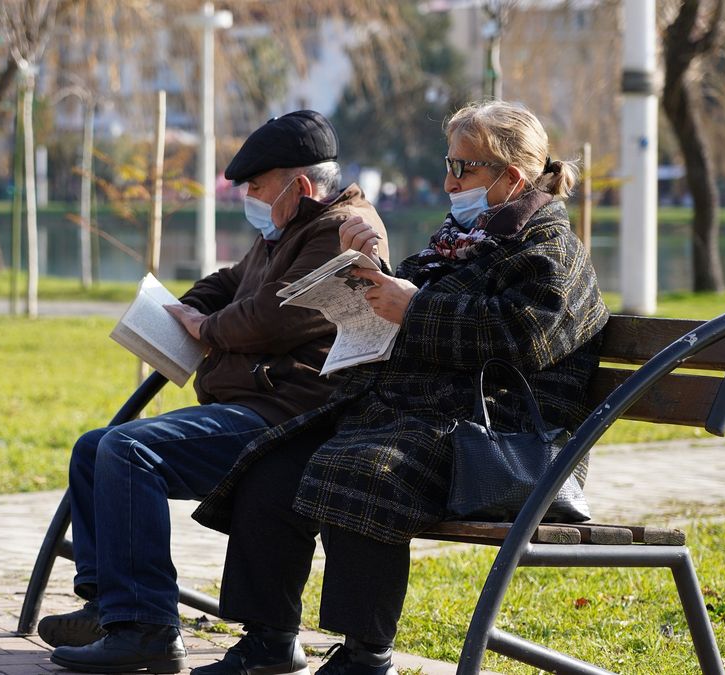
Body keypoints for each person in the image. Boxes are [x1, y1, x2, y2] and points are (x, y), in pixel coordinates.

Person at [190, 100, 610, 675]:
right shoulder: (456, 241)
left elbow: (524, 337)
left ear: (511, 178)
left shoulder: (553, 252)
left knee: (360, 470)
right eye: (449, 163)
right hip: (418, 417)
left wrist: (414, 309)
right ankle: (267, 639)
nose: (448, 181)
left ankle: (367, 655)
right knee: (272, 465)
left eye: (463, 168)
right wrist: (362, 264)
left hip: (494, 436)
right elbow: (396, 295)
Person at [45, 110, 389, 675]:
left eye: (256, 187)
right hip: (253, 404)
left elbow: (280, 314)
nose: (248, 199)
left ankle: (146, 627)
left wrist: (207, 329)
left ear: (299, 186)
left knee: (131, 450)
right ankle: (111, 605)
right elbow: (231, 283)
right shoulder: (287, 228)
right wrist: (189, 306)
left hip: (288, 412)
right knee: (93, 446)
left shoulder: (340, 230)